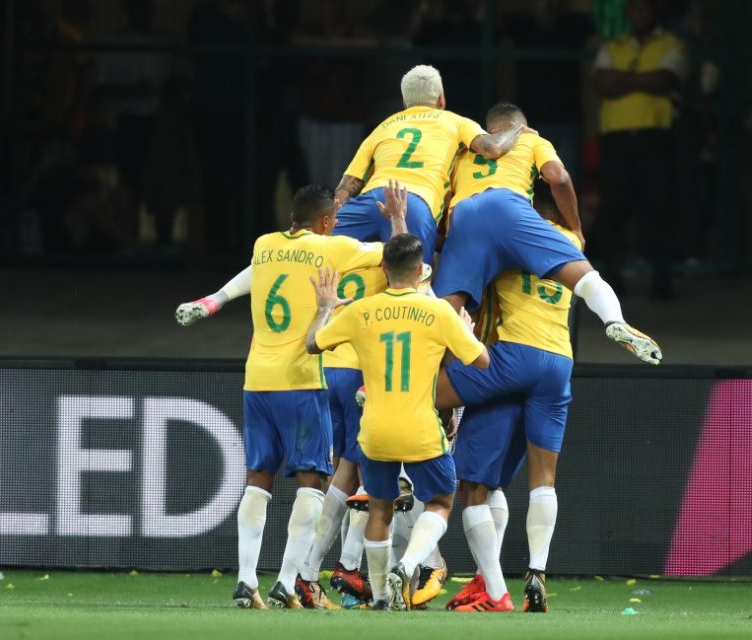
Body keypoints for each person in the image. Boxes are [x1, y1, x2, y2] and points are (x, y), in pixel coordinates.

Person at [175, 184, 406, 610]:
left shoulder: (264, 245)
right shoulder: (332, 247)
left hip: (257, 380)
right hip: (301, 379)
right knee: (313, 480)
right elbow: (401, 255)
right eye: (332, 220)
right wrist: (396, 217)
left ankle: (246, 579)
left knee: (258, 477)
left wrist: (214, 300)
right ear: (325, 221)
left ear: (291, 217)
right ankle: (285, 580)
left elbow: (251, 275)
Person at [306, 234, 490, 611]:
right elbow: (482, 362)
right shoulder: (439, 311)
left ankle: (380, 597)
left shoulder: (360, 311)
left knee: (379, 508)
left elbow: (312, 344)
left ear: (384, 268)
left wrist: (324, 307)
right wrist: (468, 334)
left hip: (374, 431)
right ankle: (406, 567)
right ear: (421, 270)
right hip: (420, 430)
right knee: (440, 501)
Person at [434, 102, 662, 365]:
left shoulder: (466, 149)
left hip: (464, 214)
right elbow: (558, 177)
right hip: (509, 207)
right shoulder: (531, 140)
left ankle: (428, 373)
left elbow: (444, 196)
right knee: (587, 278)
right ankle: (614, 320)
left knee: (445, 311)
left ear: (490, 127)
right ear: (522, 125)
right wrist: (576, 227)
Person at [439, 208, 584, 614]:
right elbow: (563, 188)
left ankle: (495, 589)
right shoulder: (572, 242)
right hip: (559, 363)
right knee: (542, 480)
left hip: (513, 357)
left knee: (417, 392)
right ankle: (537, 571)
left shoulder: (506, 238)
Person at [333, 64, 527, 264]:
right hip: (415, 204)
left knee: (323, 255)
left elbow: (346, 186)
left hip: (372, 200)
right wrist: (517, 130)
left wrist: (334, 219)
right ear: (441, 99)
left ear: (405, 104)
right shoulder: (456, 121)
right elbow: (493, 148)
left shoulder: (384, 126)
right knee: (414, 278)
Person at [593, 0, 686, 298]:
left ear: (655, 12)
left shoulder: (672, 44)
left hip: (655, 135)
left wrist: (622, 79)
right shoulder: (612, 47)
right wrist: (645, 79)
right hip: (616, 137)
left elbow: (665, 80)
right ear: (628, 14)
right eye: (635, 9)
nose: (640, 14)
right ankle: (611, 275)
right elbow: (602, 83)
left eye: (645, 8)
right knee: (615, 205)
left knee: (658, 205)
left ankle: (661, 278)